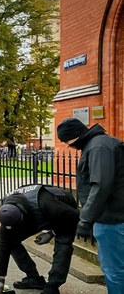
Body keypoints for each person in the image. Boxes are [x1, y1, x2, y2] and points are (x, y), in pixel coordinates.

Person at [56, 118, 124, 293]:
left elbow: (100, 186)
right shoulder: (103, 143)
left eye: (67, 142)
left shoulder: (97, 147)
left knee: (113, 270)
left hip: (111, 219)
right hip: (114, 216)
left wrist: (85, 221)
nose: (68, 146)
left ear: (74, 136)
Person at [0, 185, 79, 294]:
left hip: (64, 213)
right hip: (37, 214)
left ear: (22, 216)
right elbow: (4, 243)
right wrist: (0, 278)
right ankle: (34, 279)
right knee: (11, 241)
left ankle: (52, 287)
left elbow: (74, 216)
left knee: (63, 245)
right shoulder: (7, 212)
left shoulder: (46, 203)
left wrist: (51, 233)